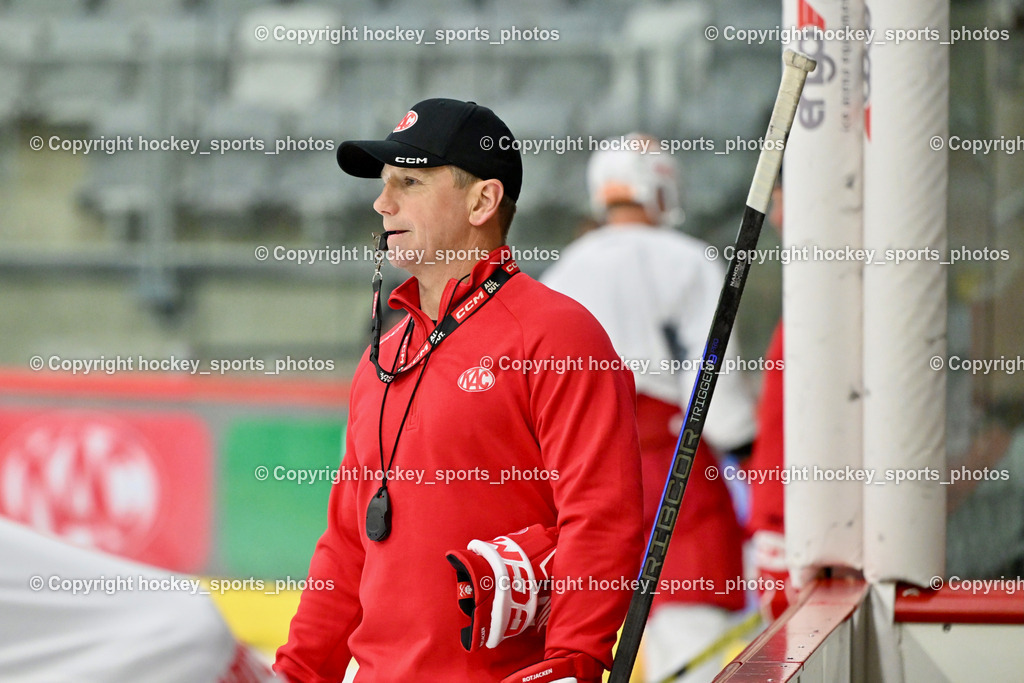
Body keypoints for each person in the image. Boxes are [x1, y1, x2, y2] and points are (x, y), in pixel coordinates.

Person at [274, 99, 644, 683]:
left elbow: (601, 515)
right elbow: (346, 547)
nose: (382, 202)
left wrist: (575, 661)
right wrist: (296, 673)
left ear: (482, 201)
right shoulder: (382, 359)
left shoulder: (558, 334)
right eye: (383, 183)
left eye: (410, 182)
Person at [541, 134, 758, 683]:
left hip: (578, 471)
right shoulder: (688, 261)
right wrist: (749, 453)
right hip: (673, 469)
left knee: (573, 641)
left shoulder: (560, 272)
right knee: (694, 651)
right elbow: (718, 389)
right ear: (657, 186)